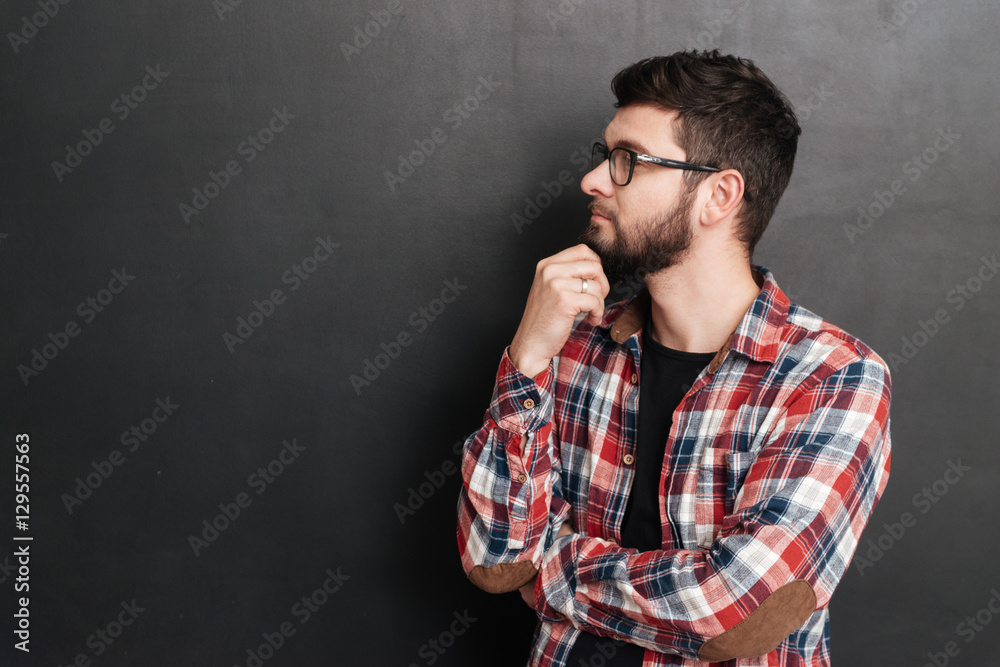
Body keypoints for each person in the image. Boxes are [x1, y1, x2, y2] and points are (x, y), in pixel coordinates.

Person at [456, 50, 892, 667]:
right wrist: (525, 361)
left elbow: (733, 613)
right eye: (602, 156)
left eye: (627, 160)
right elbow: (494, 561)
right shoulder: (571, 344)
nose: (593, 180)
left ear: (718, 195)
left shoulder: (833, 378)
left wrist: (549, 571)